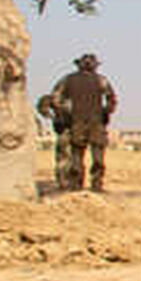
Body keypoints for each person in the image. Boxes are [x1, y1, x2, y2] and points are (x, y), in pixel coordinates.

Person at [49, 53, 117, 192]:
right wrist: (106, 112)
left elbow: (55, 99)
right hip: (92, 122)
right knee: (92, 156)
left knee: (78, 155)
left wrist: (64, 114)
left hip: (80, 122)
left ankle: (78, 185)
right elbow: (112, 99)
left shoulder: (69, 79)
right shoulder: (100, 80)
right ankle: (94, 184)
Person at [36, 93, 73, 191]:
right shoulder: (62, 98)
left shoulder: (63, 98)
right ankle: (64, 183)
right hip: (67, 131)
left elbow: (43, 105)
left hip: (72, 131)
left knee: (68, 159)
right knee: (65, 159)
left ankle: (66, 182)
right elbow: (43, 104)